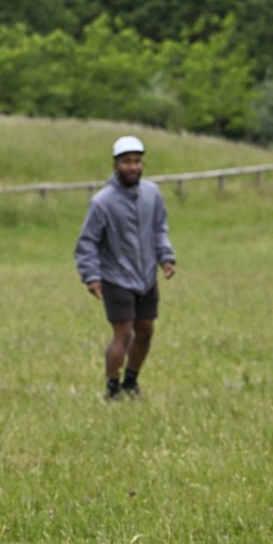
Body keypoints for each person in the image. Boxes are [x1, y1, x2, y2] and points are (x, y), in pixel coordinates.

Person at [74, 135, 178, 400]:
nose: (132, 167)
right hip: (115, 276)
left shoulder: (152, 194)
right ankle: (112, 389)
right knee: (123, 333)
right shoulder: (102, 202)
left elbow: (159, 228)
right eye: (126, 162)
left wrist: (165, 257)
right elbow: (87, 242)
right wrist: (91, 276)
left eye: (136, 161)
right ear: (115, 165)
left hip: (145, 276)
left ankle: (131, 383)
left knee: (145, 330)